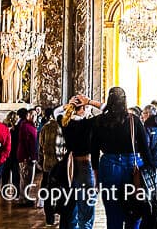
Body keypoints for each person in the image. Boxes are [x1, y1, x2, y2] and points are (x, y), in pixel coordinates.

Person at [91, 86, 152, 229]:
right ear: (124, 101)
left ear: (109, 100)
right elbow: (145, 150)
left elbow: (94, 150)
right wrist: (151, 169)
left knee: (113, 213)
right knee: (135, 209)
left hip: (108, 166)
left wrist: (95, 174)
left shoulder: (99, 121)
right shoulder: (134, 120)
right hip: (132, 167)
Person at [64, 94, 101, 229]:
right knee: (87, 203)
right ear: (84, 107)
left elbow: (56, 111)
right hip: (86, 165)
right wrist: (90, 101)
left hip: (71, 165)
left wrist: (68, 105)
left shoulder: (66, 122)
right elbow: (107, 109)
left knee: (72, 200)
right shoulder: (89, 123)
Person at [15, 108, 40, 205]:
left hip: (30, 156)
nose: (34, 117)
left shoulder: (31, 126)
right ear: (27, 116)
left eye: (35, 115)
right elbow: (26, 143)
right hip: (26, 157)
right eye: (32, 115)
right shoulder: (25, 126)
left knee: (29, 179)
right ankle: (23, 198)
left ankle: (25, 197)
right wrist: (29, 157)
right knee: (25, 178)